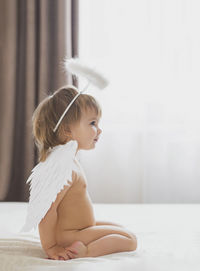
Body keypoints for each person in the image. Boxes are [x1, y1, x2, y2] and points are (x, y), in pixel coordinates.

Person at [25, 85, 137, 260]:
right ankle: (87, 252)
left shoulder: (69, 160)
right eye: (92, 123)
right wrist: (51, 246)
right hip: (69, 235)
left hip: (80, 228)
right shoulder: (64, 169)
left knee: (122, 229)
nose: (99, 130)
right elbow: (47, 210)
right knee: (130, 240)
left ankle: (86, 242)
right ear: (68, 130)